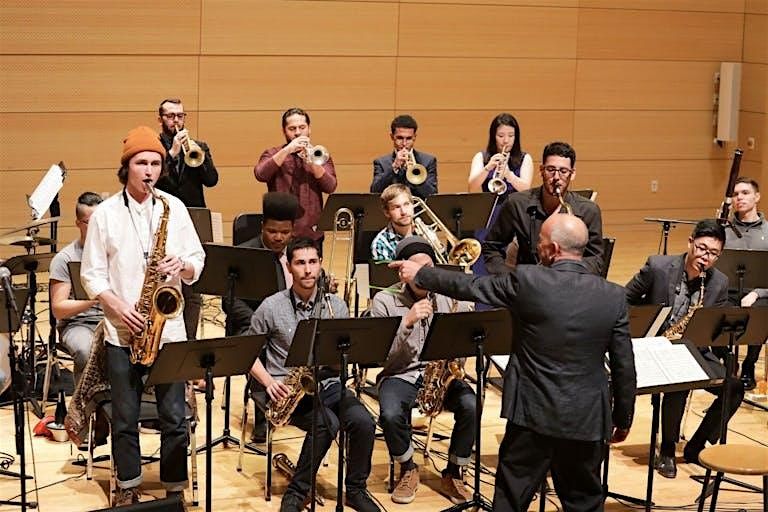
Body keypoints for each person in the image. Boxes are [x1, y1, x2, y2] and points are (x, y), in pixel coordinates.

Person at [391, 214, 636, 512]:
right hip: (586, 419)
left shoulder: (528, 280)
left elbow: (470, 285)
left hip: (532, 416)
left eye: (541, 241)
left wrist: (422, 274)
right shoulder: (613, 296)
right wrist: (623, 417)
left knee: (511, 499)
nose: (537, 246)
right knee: (583, 503)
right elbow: (624, 365)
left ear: (554, 249)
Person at [80, 126, 205, 505]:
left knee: (174, 416)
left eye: (155, 163)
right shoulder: (105, 214)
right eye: (141, 163)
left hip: (169, 331)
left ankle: (174, 488)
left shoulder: (173, 208)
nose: (149, 170)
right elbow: (91, 274)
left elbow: (198, 260)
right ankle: (128, 486)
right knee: (124, 418)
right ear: (127, 167)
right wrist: (118, 306)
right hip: (123, 329)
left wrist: (182, 264)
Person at [247, 237, 379, 512]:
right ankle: (298, 490)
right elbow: (247, 354)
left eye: (312, 262)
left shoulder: (335, 306)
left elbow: (344, 356)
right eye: (300, 263)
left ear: (320, 264)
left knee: (364, 421)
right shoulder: (271, 306)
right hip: (286, 390)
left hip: (327, 383)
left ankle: (356, 489)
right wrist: (269, 382)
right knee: (325, 422)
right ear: (289, 267)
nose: (307, 270)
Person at [626, 219, 744, 479]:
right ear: (690, 242)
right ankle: (667, 450)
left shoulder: (718, 282)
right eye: (702, 248)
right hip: (655, 346)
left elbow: (715, 326)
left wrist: (728, 358)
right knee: (680, 380)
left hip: (692, 349)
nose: (706, 257)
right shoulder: (658, 267)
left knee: (734, 387)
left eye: (713, 253)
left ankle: (696, 445)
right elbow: (624, 300)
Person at [370, 236, 475, 505]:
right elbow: (381, 357)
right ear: (402, 272)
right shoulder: (384, 300)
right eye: (415, 268)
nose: (422, 275)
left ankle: (454, 471)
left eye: (427, 268)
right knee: (390, 413)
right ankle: (408, 467)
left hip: (440, 374)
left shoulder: (450, 297)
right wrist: (406, 322)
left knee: (472, 405)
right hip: (400, 374)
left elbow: (466, 341)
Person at [224, 191, 298, 443]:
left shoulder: (298, 254)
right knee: (258, 345)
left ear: (293, 231)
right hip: (251, 324)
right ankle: (263, 414)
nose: (278, 237)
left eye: (285, 232)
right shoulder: (245, 254)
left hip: (293, 322)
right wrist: (262, 320)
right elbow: (229, 301)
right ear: (262, 227)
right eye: (272, 231)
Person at [481, 141, 604, 275]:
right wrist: (507, 279)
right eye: (550, 170)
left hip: (569, 282)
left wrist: (571, 277)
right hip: (528, 283)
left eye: (563, 171)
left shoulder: (588, 210)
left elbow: (595, 259)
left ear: (572, 174)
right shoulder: (517, 203)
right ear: (541, 170)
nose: (556, 177)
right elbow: (491, 246)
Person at [154, 98, 218, 343]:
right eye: (170, 116)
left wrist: (198, 157)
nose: (176, 121)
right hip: (162, 220)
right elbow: (155, 181)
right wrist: (171, 154)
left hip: (193, 220)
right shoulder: (155, 148)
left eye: (180, 116)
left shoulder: (199, 147)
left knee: (193, 290)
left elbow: (212, 180)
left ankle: (188, 342)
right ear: (160, 119)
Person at [254, 108, 337, 247]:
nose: (298, 132)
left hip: (311, 232)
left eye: (302, 127)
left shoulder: (320, 154)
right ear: (284, 131)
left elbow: (330, 187)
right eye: (292, 128)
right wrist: (287, 150)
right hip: (281, 232)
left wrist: (312, 163)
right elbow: (260, 174)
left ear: (309, 129)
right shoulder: (273, 153)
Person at [49, 191, 104, 386]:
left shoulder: (116, 253)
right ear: (78, 223)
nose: (97, 227)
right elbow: (58, 309)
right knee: (85, 350)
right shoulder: (65, 258)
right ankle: (86, 400)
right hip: (78, 324)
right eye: (90, 222)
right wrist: (97, 298)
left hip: (114, 320)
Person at [724, 177, 768, 389]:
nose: (739, 198)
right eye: (735, 194)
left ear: (757, 197)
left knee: (761, 314)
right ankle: (727, 363)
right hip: (727, 291)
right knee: (710, 312)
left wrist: (757, 293)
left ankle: (749, 365)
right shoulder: (723, 230)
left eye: (745, 193)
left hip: (758, 293)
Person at [371, 115, 437, 199]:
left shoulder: (428, 161)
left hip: (417, 206)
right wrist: (394, 168)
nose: (404, 143)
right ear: (392, 137)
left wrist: (416, 177)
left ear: (414, 137)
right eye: (400, 138)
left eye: (409, 138)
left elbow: (432, 195)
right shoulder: (381, 162)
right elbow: (375, 191)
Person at [370, 184, 415, 262]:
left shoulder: (429, 233)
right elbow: (385, 270)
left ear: (413, 205)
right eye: (396, 207)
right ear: (387, 213)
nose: (403, 212)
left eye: (406, 204)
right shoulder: (380, 243)